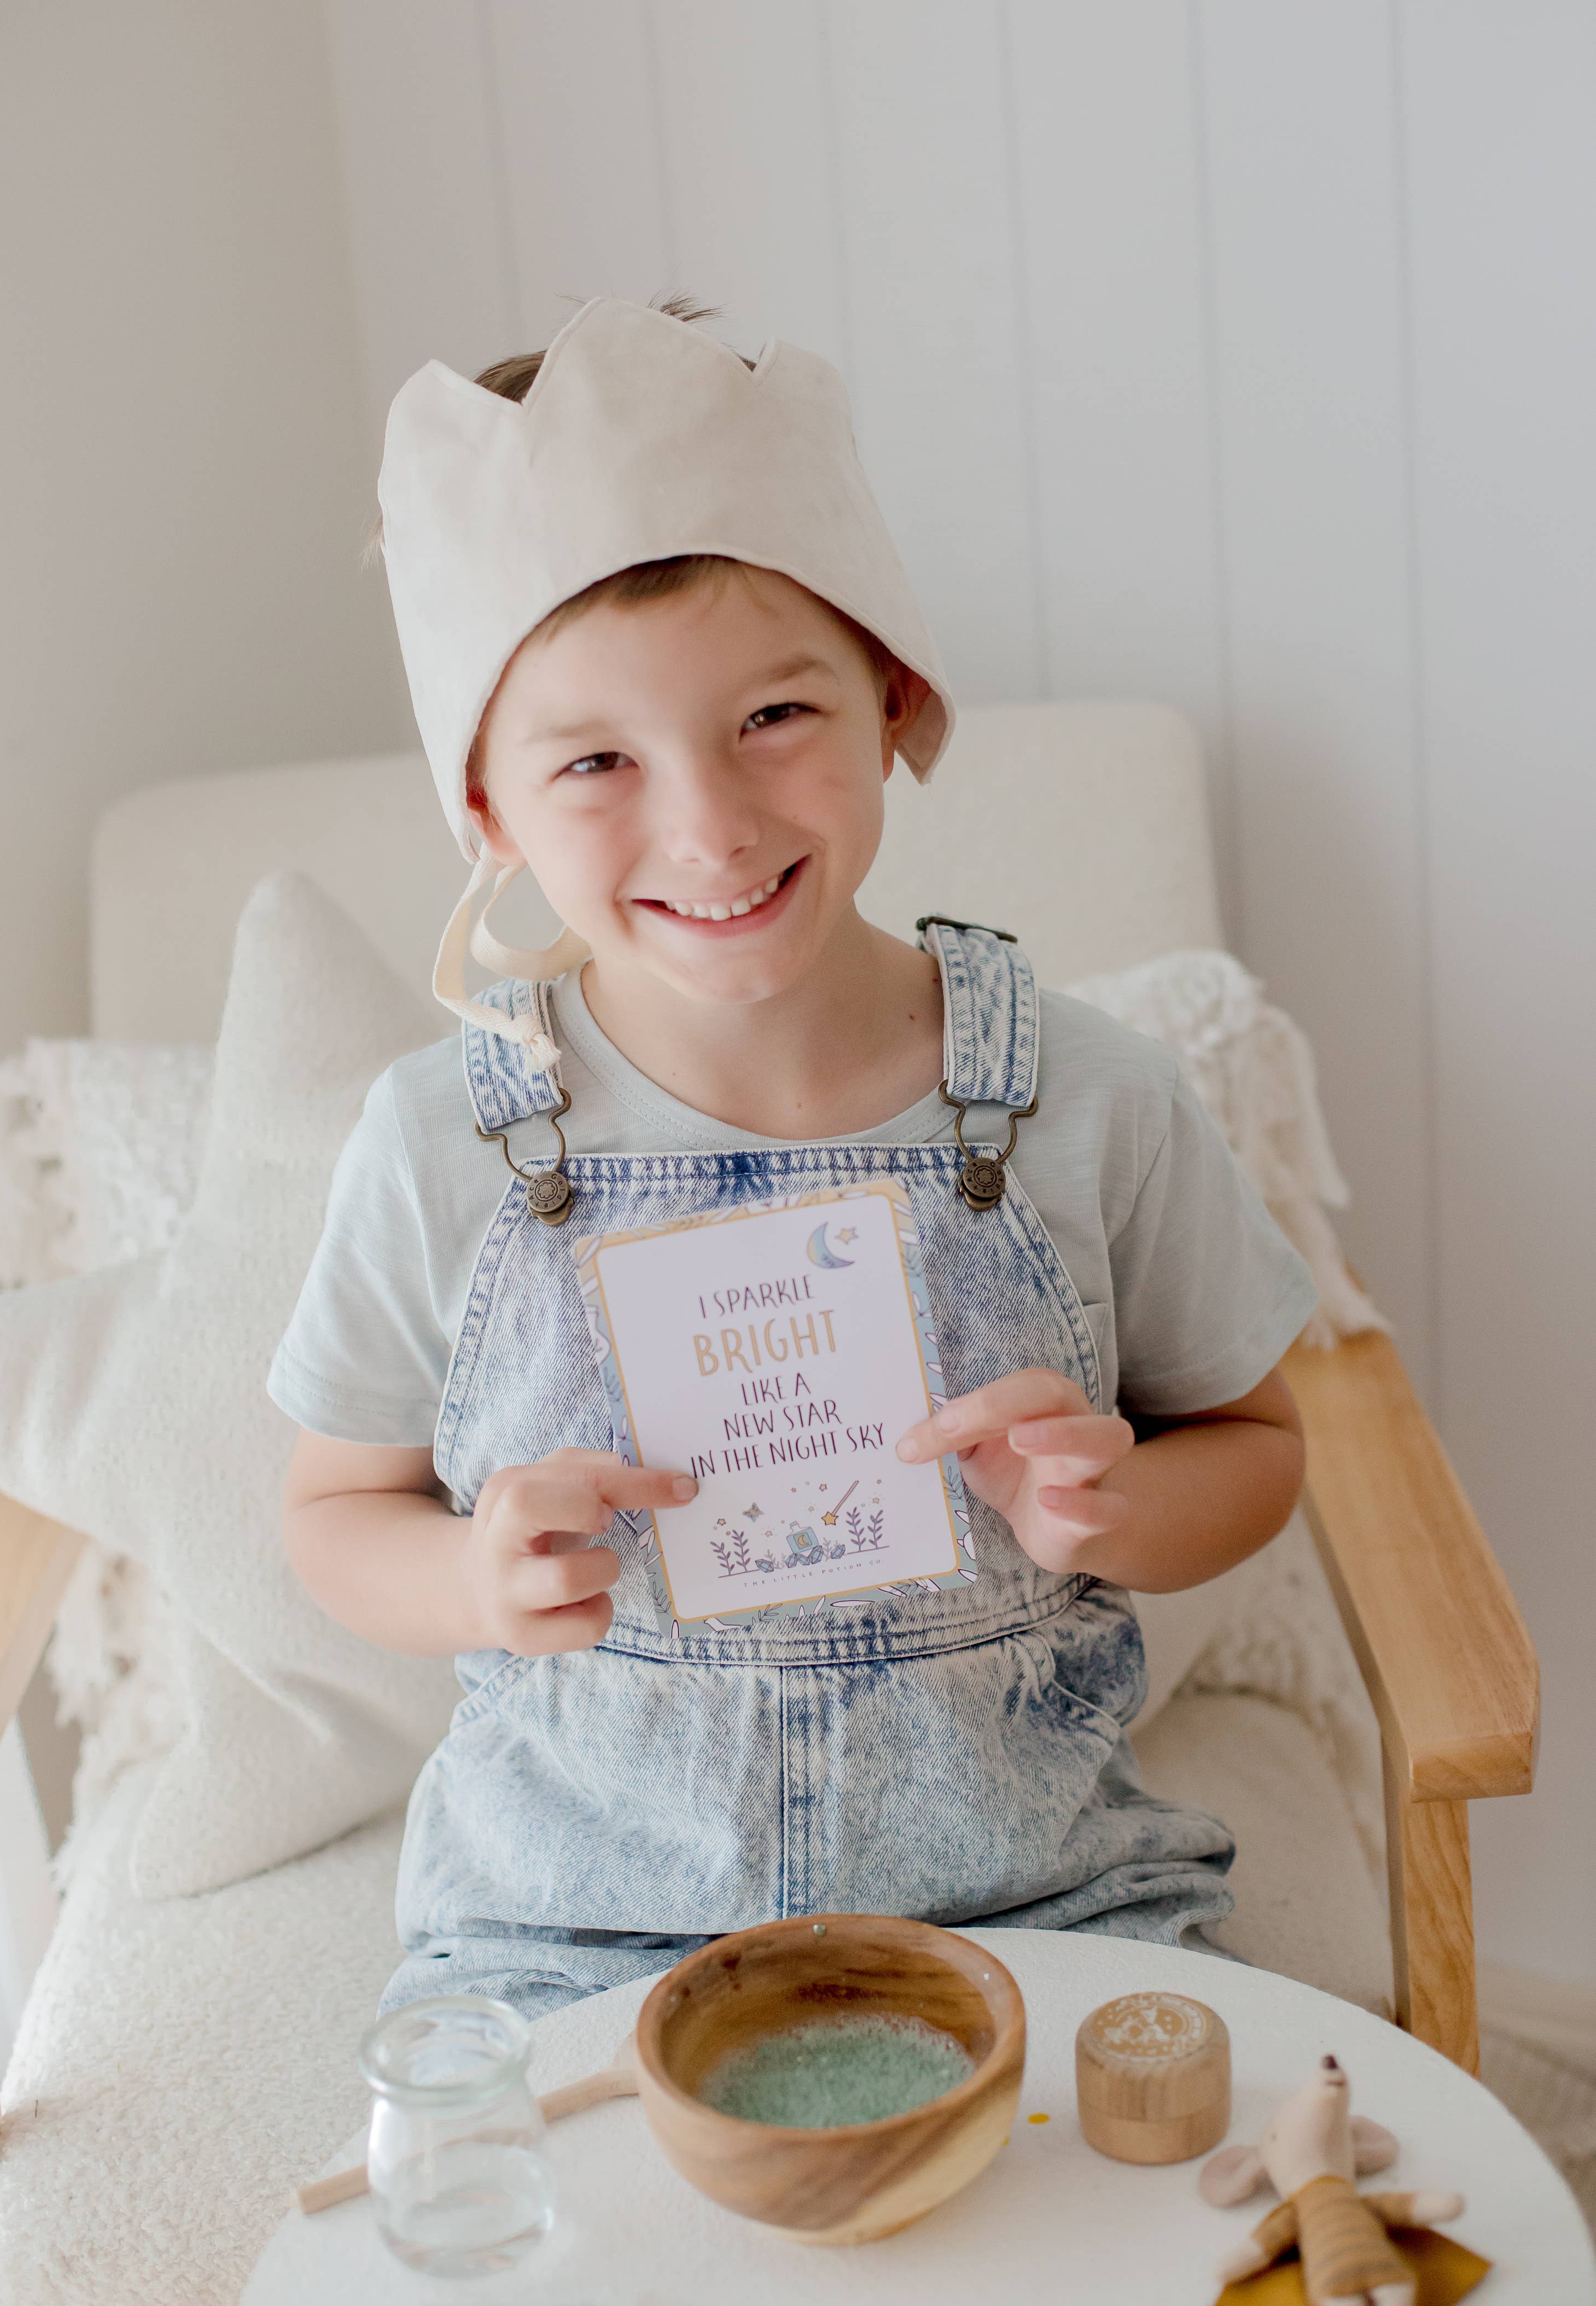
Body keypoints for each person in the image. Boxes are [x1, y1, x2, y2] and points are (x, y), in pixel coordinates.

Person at [271, 295, 1316, 2022]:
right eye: (596, 759)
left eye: (774, 717)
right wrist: (469, 1574)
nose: (711, 824)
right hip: (570, 1941)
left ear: (893, 692)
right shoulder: (439, 1145)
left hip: (1043, 1910)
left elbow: (1264, 1446)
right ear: (487, 812)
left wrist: (1120, 1505)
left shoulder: (1088, 1097)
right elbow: (328, 1514)